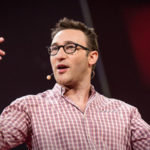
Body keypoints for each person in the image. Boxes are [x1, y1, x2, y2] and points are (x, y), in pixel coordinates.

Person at [0, 18, 150, 150]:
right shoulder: (28, 107)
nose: (59, 55)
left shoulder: (125, 113)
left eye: (70, 47)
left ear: (91, 57)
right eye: (54, 49)